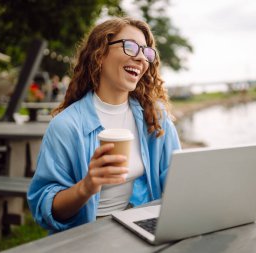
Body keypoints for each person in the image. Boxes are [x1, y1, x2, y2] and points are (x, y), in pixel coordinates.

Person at [27, 17, 181, 233]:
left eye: (146, 52)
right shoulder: (66, 126)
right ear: (99, 53)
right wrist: (86, 187)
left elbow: (176, 178)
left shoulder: (155, 117)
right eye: (130, 46)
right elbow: (44, 208)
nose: (140, 58)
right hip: (91, 234)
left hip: (144, 225)